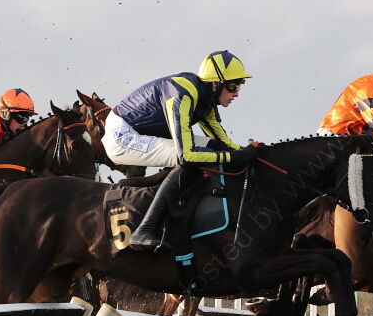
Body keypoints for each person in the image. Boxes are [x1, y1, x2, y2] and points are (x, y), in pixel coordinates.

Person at [102, 50, 257, 251]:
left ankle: (147, 184)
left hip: (145, 131)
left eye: (239, 86)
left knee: (212, 148)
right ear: (215, 83)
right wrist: (234, 156)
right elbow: (187, 155)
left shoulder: (207, 98)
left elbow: (223, 142)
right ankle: (145, 230)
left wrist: (250, 151)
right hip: (122, 135)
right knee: (192, 158)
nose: (237, 93)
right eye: (233, 86)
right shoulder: (182, 95)